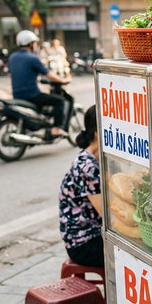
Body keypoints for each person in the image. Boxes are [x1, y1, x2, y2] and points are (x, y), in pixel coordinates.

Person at [59, 106, 103, 267]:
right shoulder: (87, 166)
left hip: (95, 234)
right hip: (84, 243)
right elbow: (106, 213)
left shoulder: (98, 159)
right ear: (97, 133)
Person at [9, 30, 71, 137]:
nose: (36, 45)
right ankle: (56, 129)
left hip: (17, 95)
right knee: (59, 101)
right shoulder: (32, 58)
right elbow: (49, 74)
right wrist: (63, 80)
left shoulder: (12, 57)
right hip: (31, 95)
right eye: (35, 43)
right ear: (30, 44)